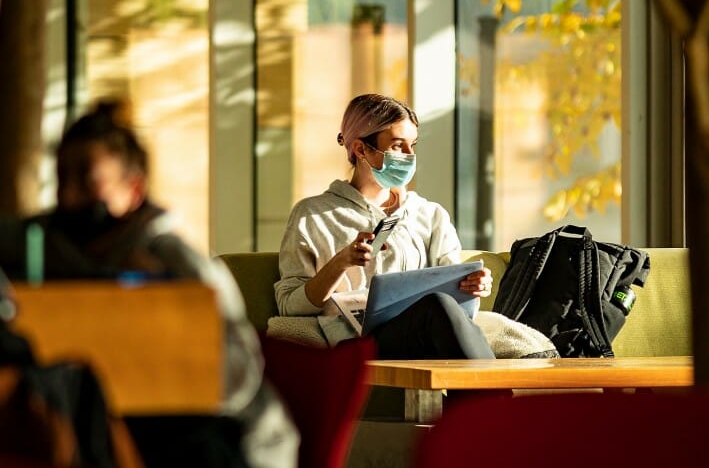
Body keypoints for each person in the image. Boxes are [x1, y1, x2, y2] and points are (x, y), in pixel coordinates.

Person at [0, 100, 299, 468]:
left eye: (88, 180)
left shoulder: (175, 260)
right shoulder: (41, 240)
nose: (69, 196)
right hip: (100, 428)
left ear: (135, 188)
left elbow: (237, 372)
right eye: (62, 178)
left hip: (215, 435)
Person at [275, 93, 495, 358]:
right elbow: (290, 306)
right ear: (360, 149)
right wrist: (341, 262)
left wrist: (473, 286)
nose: (410, 155)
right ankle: (494, 400)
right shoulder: (313, 214)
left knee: (441, 307)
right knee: (437, 307)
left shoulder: (430, 214)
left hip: (427, 331)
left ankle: (486, 399)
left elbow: (455, 297)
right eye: (397, 145)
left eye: (413, 144)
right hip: (357, 340)